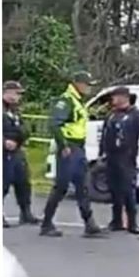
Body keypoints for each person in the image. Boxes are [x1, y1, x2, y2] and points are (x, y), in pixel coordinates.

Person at [40, 71, 103, 238]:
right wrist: (63, 145)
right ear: (78, 84)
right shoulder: (66, 100)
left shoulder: (77, 101)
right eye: (87, 84)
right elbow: (54, 124)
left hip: (78, 148)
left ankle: (90, 224)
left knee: (82, 187)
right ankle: (46, 224)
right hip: (69, 148)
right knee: (61, 187)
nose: (89, 88)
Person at [99, 86, 139, 234]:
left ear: (124, 97)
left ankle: (132, 223)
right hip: (112, 157)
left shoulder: (136, 115)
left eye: (115, 96)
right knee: (114, 190)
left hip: (127, 157)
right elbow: (105, 135)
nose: (112, 99)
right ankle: (116, 221)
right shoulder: (111, 115)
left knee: (128, 191)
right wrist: (102, 152)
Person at [2, 80, 40, 228]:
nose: (18, 97)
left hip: (17, 150)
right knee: (3, 184)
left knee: (23, 183)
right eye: (16, 93)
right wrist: (3, 142)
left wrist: (21, 136)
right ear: (7, 93)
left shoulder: (15, 110)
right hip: (4, 152)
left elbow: (24, 128)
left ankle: (26, 212)